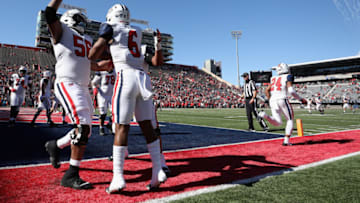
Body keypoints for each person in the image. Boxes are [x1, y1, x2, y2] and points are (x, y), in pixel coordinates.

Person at [89, 3, 167, 193]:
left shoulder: (110, 28)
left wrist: (98, 55)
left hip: (125, 77)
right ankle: (158, 169)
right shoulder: (137, 31)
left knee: (121, 126)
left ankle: (118, 176)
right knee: (147, 125)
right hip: (143, 79)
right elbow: (156, 61)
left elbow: (93, 53)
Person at [43, 0, 113, 190]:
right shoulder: (62, 31)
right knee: (82, 127)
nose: (82, 24)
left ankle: (55, 145)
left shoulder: (87, 40)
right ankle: (71, 174)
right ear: (69, 19)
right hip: (67, 82)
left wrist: (107, 63)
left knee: (86, 130)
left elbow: (92, 64)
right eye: (79, 20)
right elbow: (49, 13)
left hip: (83, 86)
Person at [258, 63, 307, 146]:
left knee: (278, 123)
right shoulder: (288, 76)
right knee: (290, 119)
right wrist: (301, 99)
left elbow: (266, 90)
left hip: (273, 99)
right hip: (282, 98)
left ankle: (264, 115)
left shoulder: (273, 78)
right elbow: (291, 91)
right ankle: (286, 141)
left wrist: (270, 99)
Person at [91, 70, 116, 136]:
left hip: (112, 95)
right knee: (103, 114)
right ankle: (101, 128)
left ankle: (110, 124)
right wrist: (96, 89)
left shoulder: (116, 71)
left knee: (114, 113)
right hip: (102, 95)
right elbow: (93, 83)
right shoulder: (101, 72)